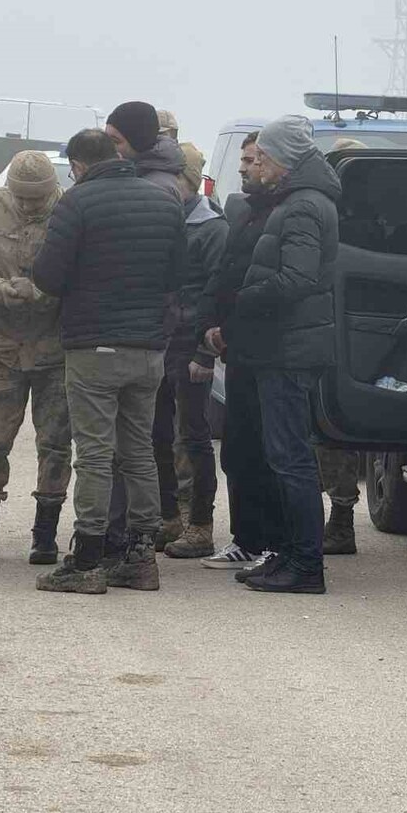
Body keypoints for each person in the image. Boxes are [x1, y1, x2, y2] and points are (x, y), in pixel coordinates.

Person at [32, 129, 185, 595]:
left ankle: (86, 561)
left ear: (78, 164)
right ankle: (141, 557)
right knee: (138, 451)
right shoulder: (165, 200)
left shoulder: (77, 203)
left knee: (95, 454)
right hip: (149, 348)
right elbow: (179, 273)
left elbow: (49, 276)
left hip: (95, 345)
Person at [208, 116, 341, 594]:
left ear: (282, 159)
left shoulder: (303, 206)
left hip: (289, 349)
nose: (255, 163)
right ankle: (285, 552)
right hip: (278, 346)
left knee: (291, 458)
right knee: (278, 454)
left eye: (260, 156)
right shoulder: (292, 200)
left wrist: (244, 299)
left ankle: (306, 564)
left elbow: (298, 278)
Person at [0, 151, 71, 564]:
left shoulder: (69, 210)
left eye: (36, 200)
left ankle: (45, 535)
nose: (28, 207)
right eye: (21, 198)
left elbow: (79, 270)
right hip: (2, 345)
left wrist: (45, 290)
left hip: (54, 348)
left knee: (56, 444)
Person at [99, 101, 184, 557]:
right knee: (136, 441)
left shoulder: (158, 188)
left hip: (144, 331)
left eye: (115, 140)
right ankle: (137, 535)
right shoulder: (144, 178)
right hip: (145, 328)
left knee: (139, 442)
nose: (110, 149)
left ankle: (133, 536)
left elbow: (167, 268)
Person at [197, 131, 285, 571]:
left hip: (269, 351)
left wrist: (230, 325)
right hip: (238, 349)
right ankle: (246, 539)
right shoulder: (246, 212)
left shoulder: (286, 215)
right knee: (237, 449)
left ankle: (273, 543)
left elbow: (272, 288)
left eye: (254, 160)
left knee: (270, 452)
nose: (246, 167)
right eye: (245, 160)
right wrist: (211, 324)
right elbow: (227, 273)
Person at [160, 142, 227, 560]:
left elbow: (217, 294)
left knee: (194, 435)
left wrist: (205, 353)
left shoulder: (213, 228)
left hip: (190, 344)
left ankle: (200, 524)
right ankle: (168, 517)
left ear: (190, 181)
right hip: (160, 340)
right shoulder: (165, 218)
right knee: (158, 434)